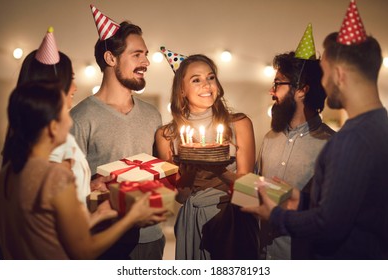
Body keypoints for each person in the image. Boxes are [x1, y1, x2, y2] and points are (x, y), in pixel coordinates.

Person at [242, 1, 388, 259]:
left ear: (339, 74)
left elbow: (329, 225)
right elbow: (351, 211)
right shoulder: (379, 127)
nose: (322, 81)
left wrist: (277, 215)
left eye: (325, 72)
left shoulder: (350, 140)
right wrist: (306, 202)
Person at [0, 81, 167, 259]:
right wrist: (131, 218)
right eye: (65, 114)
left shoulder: (9, 171)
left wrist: (99, 214)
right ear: (52, 126)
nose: (70, 120)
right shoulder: (55, 176)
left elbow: (47, 231)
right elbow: (84, 250)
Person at [70, 5, 164, 259]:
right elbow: (67, 189)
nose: (145, 62)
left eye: (145, 54)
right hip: (103, 240)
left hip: (150, 238)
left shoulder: (153, 115)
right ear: (110, 59)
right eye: (136, 55)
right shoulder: (79, 118)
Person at [156, 52, 259, 259]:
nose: (206, 84)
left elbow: (247, 189)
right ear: (182, 90)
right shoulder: (167, 135)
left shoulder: (239, 124)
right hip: (193, 216)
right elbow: (180, 197)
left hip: (230, 217)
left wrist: (219, 170)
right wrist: (188, 174)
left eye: (210, 78)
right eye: (196, 80)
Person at [0, 27, 113, 205]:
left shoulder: (36, 143)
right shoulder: (49, 149)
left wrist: (86, 186)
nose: (75, 86)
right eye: (71, 78)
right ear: (54, 86)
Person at [256, 24, 335, 260]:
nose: (271, 90)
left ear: (301, 90)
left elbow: (332, 216)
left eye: (278, 83)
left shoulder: (331, 145)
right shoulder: (269, 138)